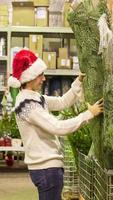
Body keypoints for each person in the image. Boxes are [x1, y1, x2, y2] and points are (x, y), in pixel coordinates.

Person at [8, 49, 103, 200]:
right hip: (46, 169)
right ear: (30, 76)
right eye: (40, 75)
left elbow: (61, 102)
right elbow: (57, 127)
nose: (44, 79)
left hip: (47, 168)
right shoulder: (27, 105)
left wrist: (77, 82)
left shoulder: (34, 98)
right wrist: (89, 114)